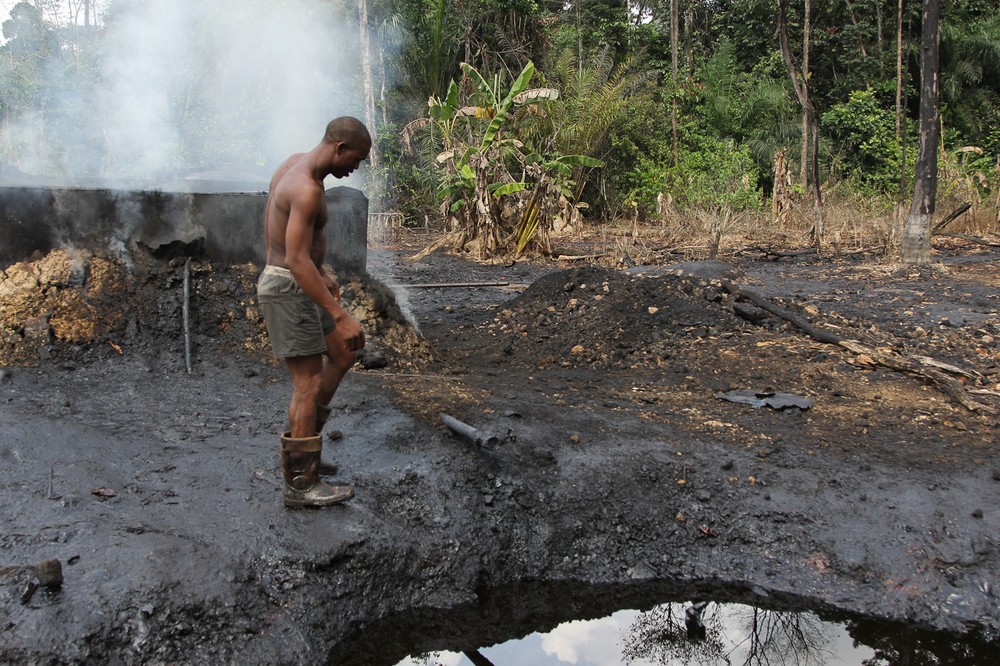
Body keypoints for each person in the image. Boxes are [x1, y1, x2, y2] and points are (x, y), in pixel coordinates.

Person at [256, 117, 371, 508]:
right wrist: (339, 314)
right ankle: (302, 483)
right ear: (339, 148)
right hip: (289, 288)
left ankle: (304, 451)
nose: (355, 168)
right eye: (356, 159)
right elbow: (294, 258)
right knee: (307, 384)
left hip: (299, 281)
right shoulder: (306, 188)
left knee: (342, 354)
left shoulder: (293, 164)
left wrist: (319, 272)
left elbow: (278, 227)